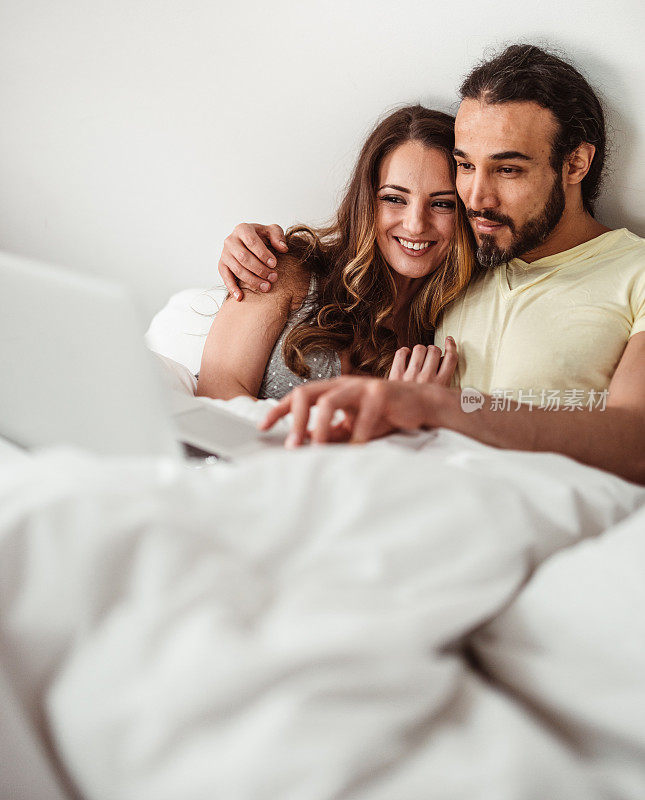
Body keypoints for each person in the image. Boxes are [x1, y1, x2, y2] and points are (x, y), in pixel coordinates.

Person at [218, 44, 645, 484]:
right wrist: (250, 244)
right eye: (465, 165)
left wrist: (435, 408)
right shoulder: (468, 266)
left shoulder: (634, 273)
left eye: (508, 170)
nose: (476, 198)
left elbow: (638, 442)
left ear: (575, 163)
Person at [196, 106, 476, 401]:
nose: (416, 224)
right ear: (365, 202)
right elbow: (216, 401)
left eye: (443, 204)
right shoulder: (283, 271)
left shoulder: (448, 328)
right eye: (394, 198)